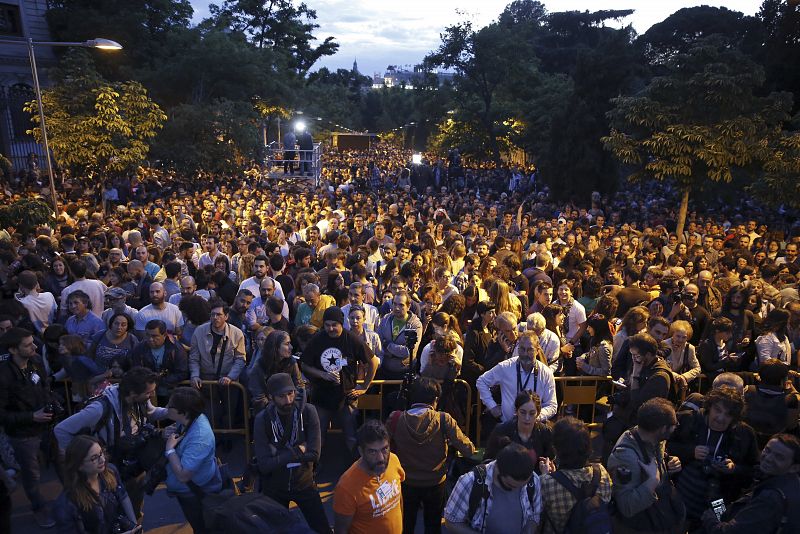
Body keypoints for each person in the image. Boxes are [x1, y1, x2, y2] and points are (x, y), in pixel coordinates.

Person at [54, 367, 169, 516]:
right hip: (109, 467)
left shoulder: (139, 400)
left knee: (134, 507)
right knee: (113, 511)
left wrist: (171, 412)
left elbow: (151, 413)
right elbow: (61, 430)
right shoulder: (99, 408)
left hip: (134, 465)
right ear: (133, 393)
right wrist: (78, 457)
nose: (152, 395)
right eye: (148, 392)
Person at [386, 377, 476, 534]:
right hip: (435, 482)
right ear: (435, 399)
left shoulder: (396, 418)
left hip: (406, 481)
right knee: (433, 524)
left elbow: (383, 444)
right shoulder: (443, 419)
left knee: (406, 523)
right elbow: (468, 448)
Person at [667, 386, 759, 529]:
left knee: (715, 527)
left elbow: (754, 471)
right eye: (717, 410)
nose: (720, 418)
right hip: (682, 493)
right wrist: (690, 452)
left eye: (728, 415)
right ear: (709, 407)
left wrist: (734, 469)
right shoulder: (689, 420)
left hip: (720, 500)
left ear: (735, 418)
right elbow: (664, 446)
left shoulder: (744, 434)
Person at [254, 373, 329, 534]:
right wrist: (297, 450)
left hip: (304, 482)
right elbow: (264, 465)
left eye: (290, 393)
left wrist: (277, 455)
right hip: (274, 486)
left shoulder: (308, 412)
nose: (288, 400)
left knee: (322, 529)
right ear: (270, 397)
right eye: (281, 396)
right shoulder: (263, 419)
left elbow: (315, 454)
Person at [300, 306, 379, 456]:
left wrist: (365, 386)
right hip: (321, 397)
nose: (330, 328)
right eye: (327, 325)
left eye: (334, 325)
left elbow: (373, 362)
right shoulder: (318, 338)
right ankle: (315, 468)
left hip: (347, 397)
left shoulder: (352, 339)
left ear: (341, 324)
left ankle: (356, 468)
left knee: (351, 437)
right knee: (319, 436)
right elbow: (304, 365)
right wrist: (322, 374)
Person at [0, 327, 56, 528]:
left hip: (47, 427)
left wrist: (51, 405)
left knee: (61, 464)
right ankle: (39, 508)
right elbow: (3, 414)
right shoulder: (3, 376)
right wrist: (31, 416)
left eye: (33, 342)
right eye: (27, 345)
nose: (34, 347)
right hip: (23, 435)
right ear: (13, 350)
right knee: (32, 475)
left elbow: (43, 387)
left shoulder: (36, 362)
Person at [607, 398, 685, 534]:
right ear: (662, 429)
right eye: (674, 424)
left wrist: (668, 463)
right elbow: (626, 506)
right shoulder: (625, 456)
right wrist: (651, 483)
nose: (676, 426)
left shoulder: (655, 439)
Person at [701, 434, 800, 533]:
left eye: (779, 457)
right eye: (767, 450)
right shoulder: (790, 483)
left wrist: (710, 518)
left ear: (794, 467)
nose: (769, 458)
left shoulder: (770, 498)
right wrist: (734, 469)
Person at [444, 442, 542, 533]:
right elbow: (452, 521)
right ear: (498, 471)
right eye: (512, 486)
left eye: (522, 486)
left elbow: (534, 516)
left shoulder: (533, 480)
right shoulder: (470, 481)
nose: (518, 489)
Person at [163, 386, 222, 534]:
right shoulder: (188, 421)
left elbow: (183, 475)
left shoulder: (200, 437)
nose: (166, 408)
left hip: (195, 492)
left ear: (184, 412)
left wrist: (170, 449)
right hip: (190, 490)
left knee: (202, 527)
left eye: (170, 406)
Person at [53, 435, 140, 534]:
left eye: (101, 453)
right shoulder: (66, 505)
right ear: (79, 465)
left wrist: (134, 526)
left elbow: (123, 496)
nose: (102, 460)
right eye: (94, 458)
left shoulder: (110, 471)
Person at [539, 417, 612, 534]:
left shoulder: (546, 483)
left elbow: (538, 516)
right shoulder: (601, 472)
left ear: (556, 449)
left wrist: (546, 476)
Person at [333, 420, 404, 534]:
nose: (381, 458)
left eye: (384, 449)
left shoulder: (394, 460)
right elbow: (341, 530)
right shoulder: (346, 487)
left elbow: (398, 500)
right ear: (361, 451)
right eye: (372, 452)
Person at [476, 331, 558, 423]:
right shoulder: (506, 367)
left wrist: (535, 416)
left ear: (538, 350)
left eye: (530, 350)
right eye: (522, 349)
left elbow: (552, 405)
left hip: (533, 428)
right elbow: (481, 381)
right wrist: (492, 406)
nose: (525, 354)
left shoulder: (546, 373)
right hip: (507, 427)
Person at [123, 319, 188, 401]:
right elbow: (136, 370)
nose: (150, 339)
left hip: (171, 392)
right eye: (147, 335)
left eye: (154, 336)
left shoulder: (176, 348)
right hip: (146, 393)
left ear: (164, 335)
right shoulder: (139, 348)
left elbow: (182, 372)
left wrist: (159, 381)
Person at [485, 390, 554, 466]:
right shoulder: (501, 430)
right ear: (516, 411)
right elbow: (487, 461)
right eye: (523, 412)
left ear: (538, 413)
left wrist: (550, 466)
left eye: (532, 413)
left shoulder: (545, 432)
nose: (527, 418)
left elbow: (553, 460)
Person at [247, 330, 305, 410]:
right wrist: (276, 408)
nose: (291, 347)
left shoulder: (291, 362)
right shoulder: (260, 365)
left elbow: (299, 386)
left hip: (291, 405)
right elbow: (258, 395)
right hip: (268, 410)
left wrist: (291, 404)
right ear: (276, 347)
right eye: (287, 344)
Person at [376, 291, 423, 379]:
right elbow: (378, 343)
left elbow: (408, 351)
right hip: (385, 371)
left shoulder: (415, 325)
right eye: (395, 304)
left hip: (404, 373)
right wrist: (396, 352)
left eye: (401, 305)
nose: (397, 308)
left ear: (408, 307)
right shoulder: (386, 319)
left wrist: (388, 345)